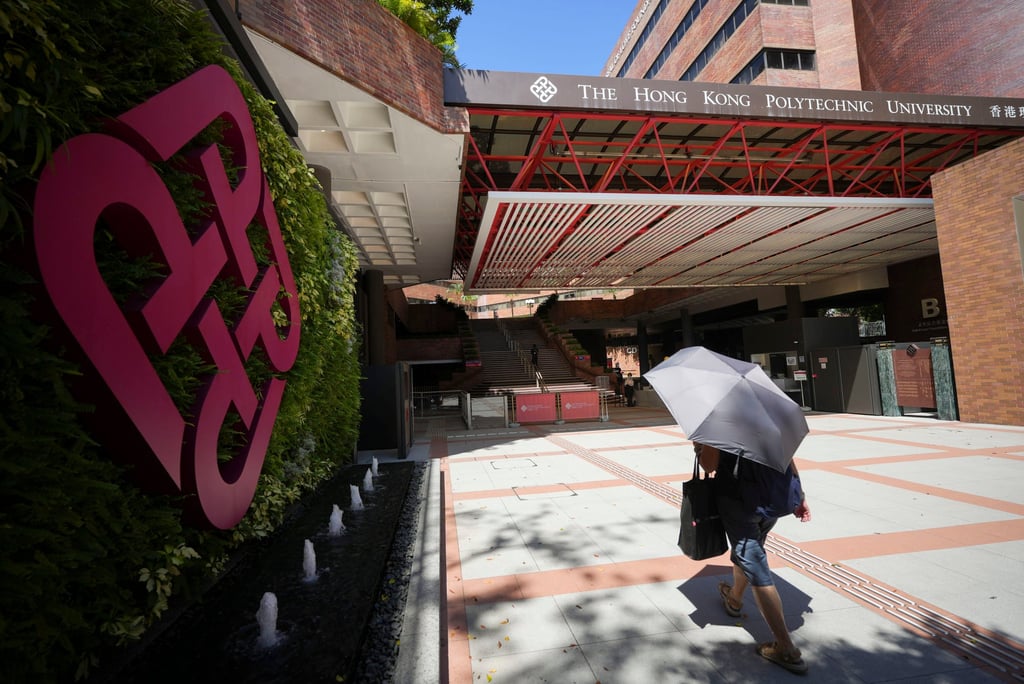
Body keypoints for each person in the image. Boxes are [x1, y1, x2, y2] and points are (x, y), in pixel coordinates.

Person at [696, 442, 812, 675]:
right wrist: (799, 494)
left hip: (739, 501)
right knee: (750, 550)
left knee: (755, 563)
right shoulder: (768, 415)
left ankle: (785, 647)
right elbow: (786, 456)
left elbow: (708, 465)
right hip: (773, 496)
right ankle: (735, 598)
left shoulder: (720, 422)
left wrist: (700, 447)